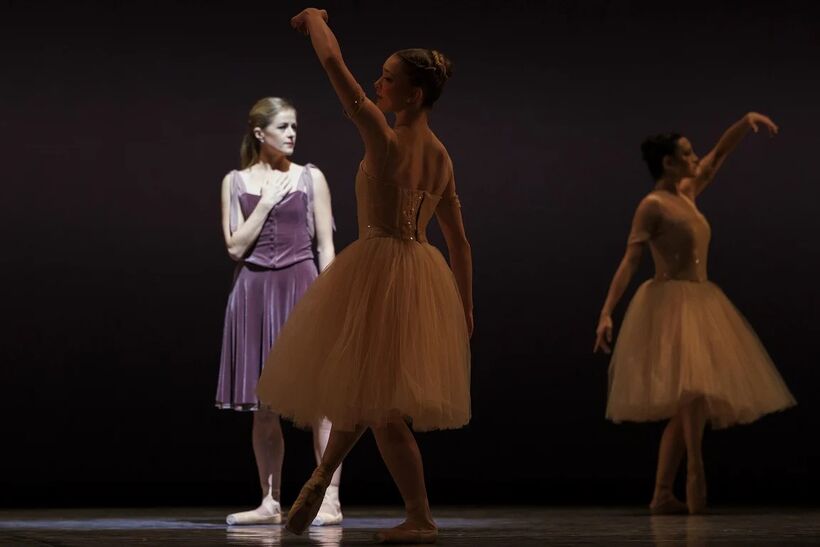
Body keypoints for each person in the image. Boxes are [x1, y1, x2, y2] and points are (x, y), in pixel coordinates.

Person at [256, 8, 473, 544]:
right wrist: (465, 309)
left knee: (379, 404)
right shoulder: (441, 157)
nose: (377, 84)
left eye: (389, 78)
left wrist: (315, 17)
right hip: (421, 275)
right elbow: (460, 243)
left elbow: (333, 63)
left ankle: (413, 513)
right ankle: (324, 480)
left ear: (414, 95)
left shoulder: (386, 138)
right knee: (369, 395)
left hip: (380, 268)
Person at [594, 112, 796, 514]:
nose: (694, 157)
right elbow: (630, 262)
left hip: (702, 299)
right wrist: (606, 313)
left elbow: (718, 154)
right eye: (686, 153)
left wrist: (745, 122)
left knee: (692, 401)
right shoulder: (652, 205)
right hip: (671, 304)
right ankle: (695, 472)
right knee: (694, 395)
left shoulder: (687, 192)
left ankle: (662, 493)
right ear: (668, 162)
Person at [215, 96, 343, 526]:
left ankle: (328, 499)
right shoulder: (234, 181)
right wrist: (267, 202)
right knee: (263, 404)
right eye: (283, 127)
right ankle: (270, 502)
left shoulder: (311, 178)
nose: (291, 134)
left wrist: (332, 302)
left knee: (321, 401)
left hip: (300, 288)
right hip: (253, 293)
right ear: (259, 133)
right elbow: (234, 246)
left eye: (294, 127)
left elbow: (326, 247)